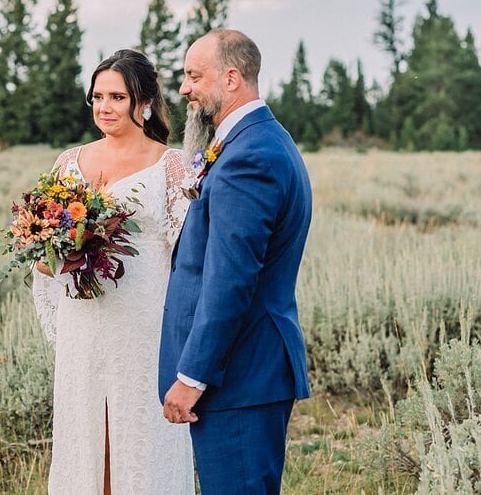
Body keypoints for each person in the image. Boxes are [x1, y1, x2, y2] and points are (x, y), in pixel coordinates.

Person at [32, 49, 195, 494]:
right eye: (98, 96)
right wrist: (47, 252)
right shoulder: (70, 162)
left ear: (143, 102)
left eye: (117, 97)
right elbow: (45, 246)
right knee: (85, 428)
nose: (104, 107)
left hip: (144, 320)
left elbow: (187, 254)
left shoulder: (171, 164)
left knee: (142, 431)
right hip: (83, 319)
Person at [159, 30, 313, 493]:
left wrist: (192, 376)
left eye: (192, 76)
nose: (184, 88)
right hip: (247, 371)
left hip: (241, 374)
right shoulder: (254, 141)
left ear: (231, 78)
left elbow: (230, 282)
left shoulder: (250, 157)